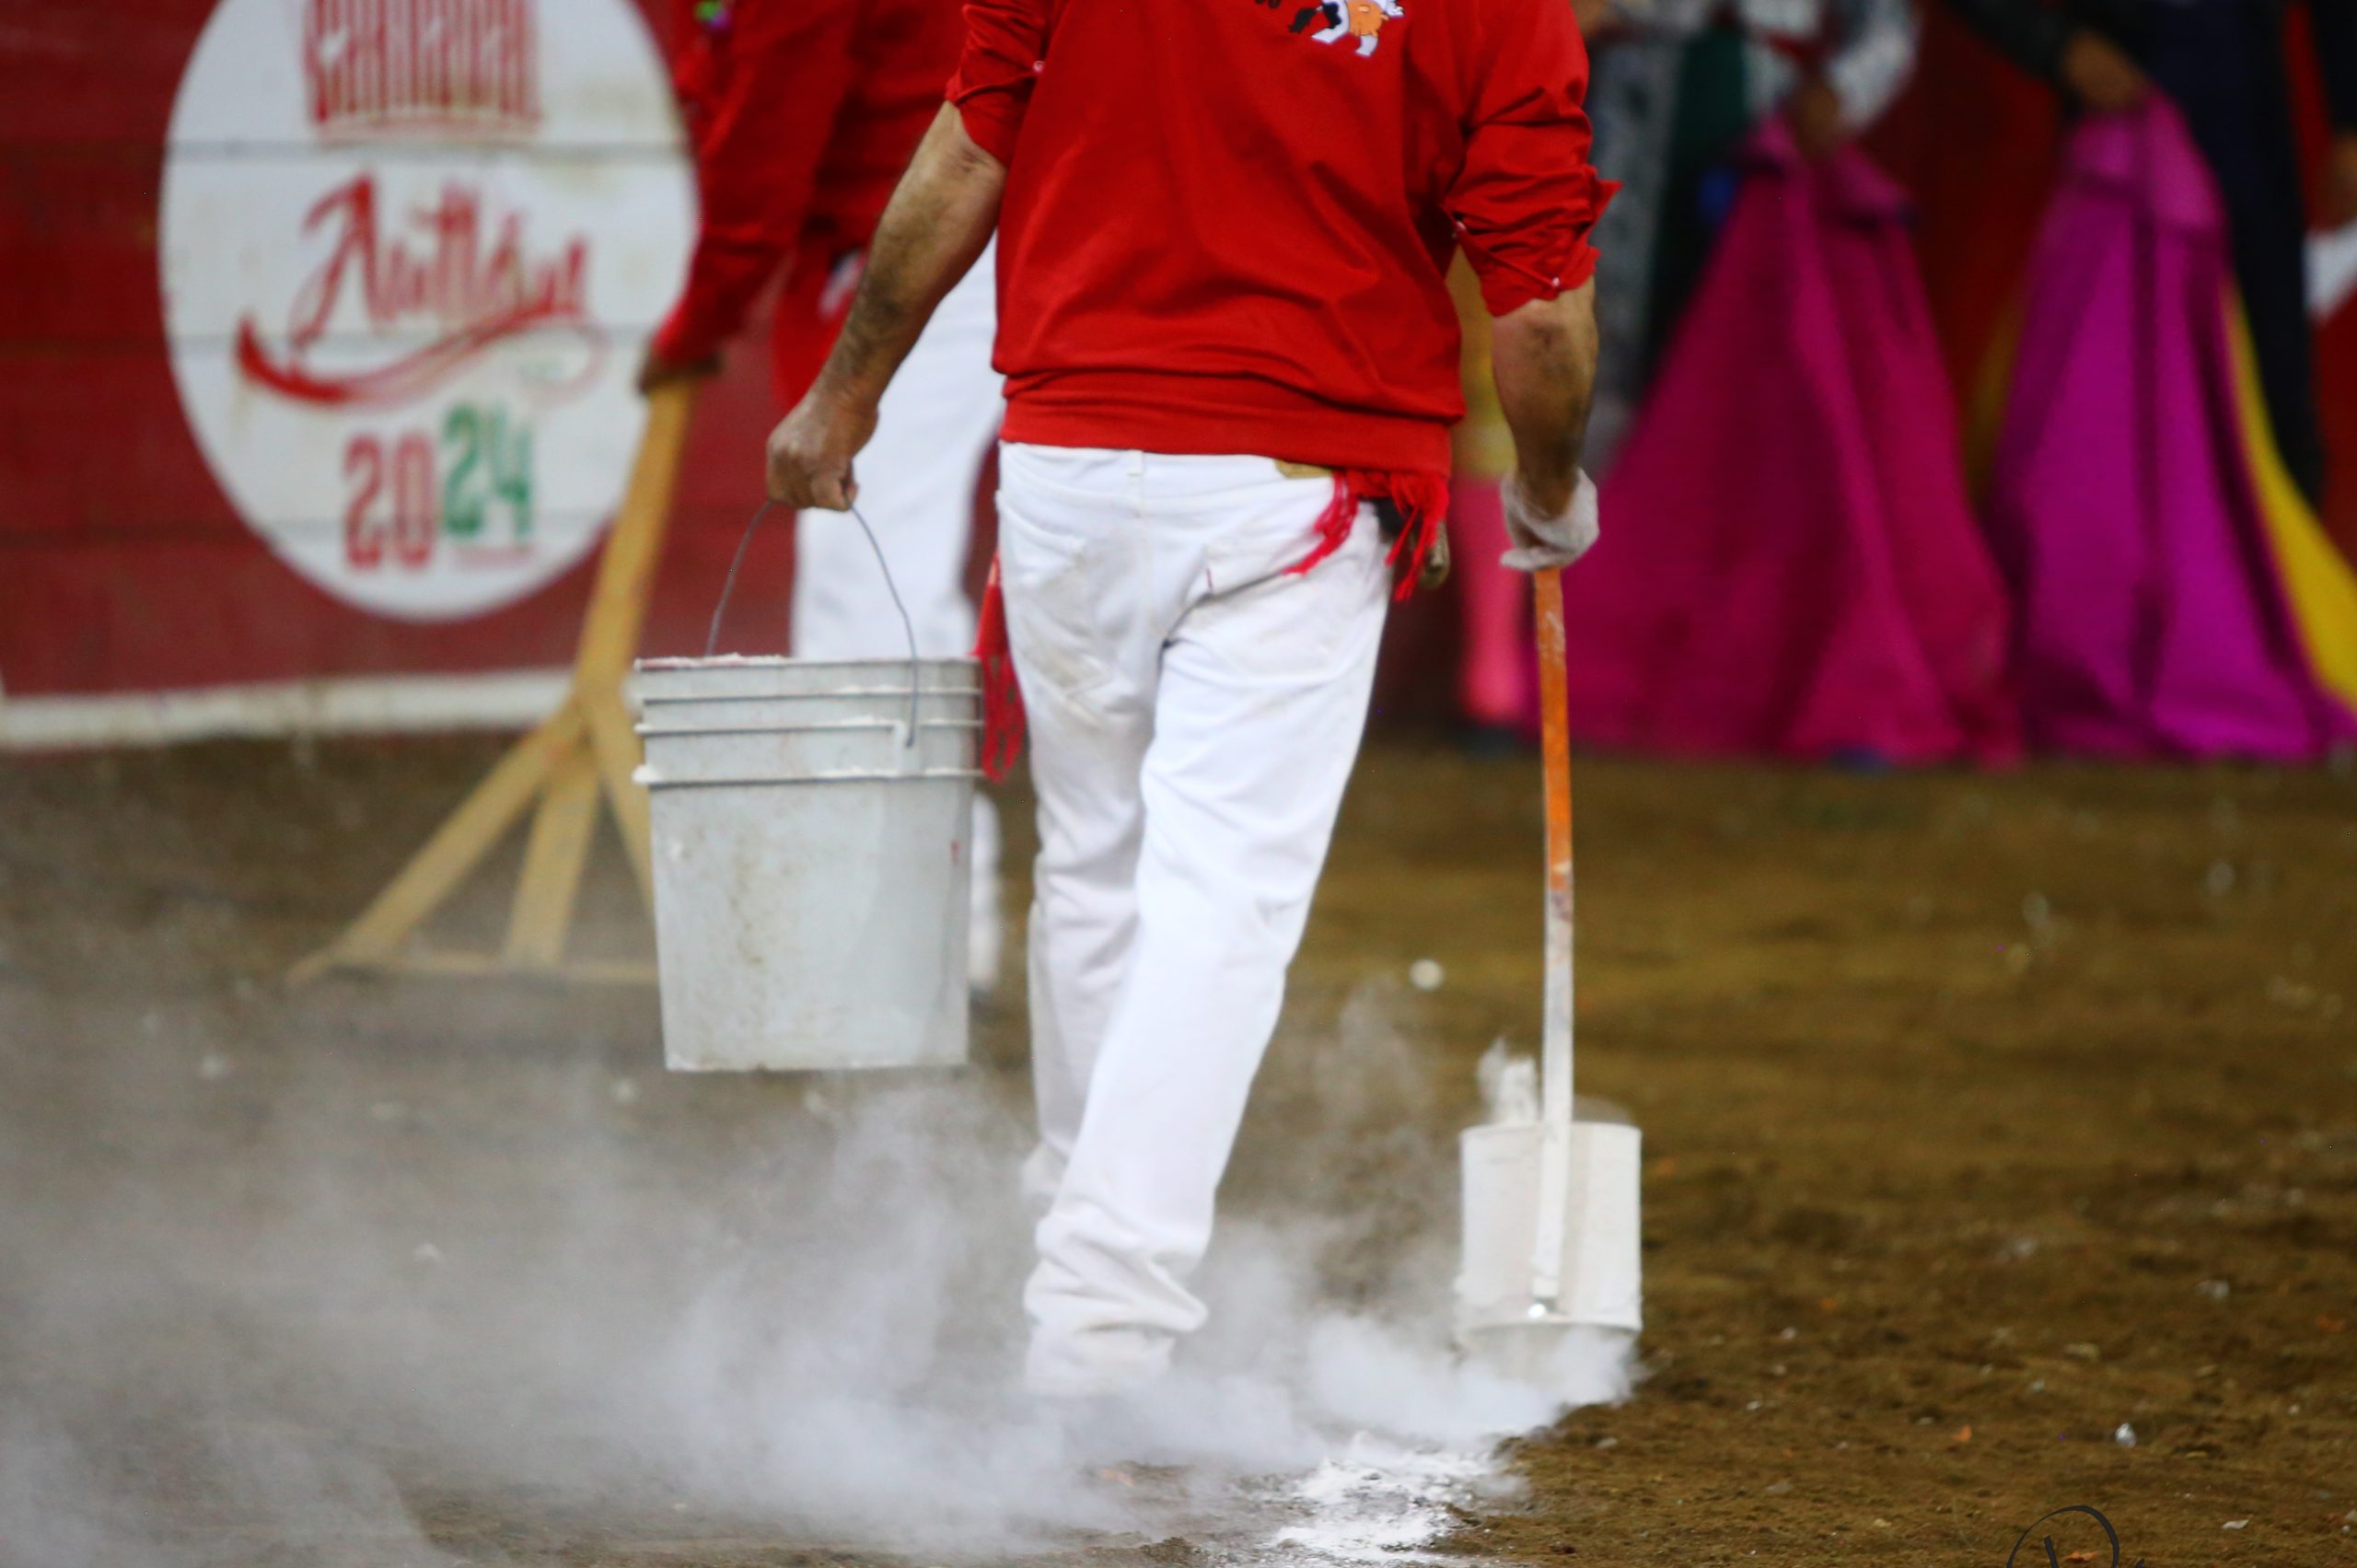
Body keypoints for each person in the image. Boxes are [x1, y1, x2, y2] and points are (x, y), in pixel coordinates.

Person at [764, 0, 1614, 1399]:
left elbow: (970, 142)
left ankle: (1077, 1244)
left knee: (1095, 867)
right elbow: (1537, 307)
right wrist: (1546, 482)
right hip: (1302, 472)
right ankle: (1098, 1329)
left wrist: (847, 392)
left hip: (1070, 458)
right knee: (1220, 900)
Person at [640, 0, 1009, 986]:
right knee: (878, 586)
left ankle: (906, 934)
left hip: (929, 241)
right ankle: (914, 921)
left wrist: (697, 320)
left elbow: (761, 157)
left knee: (868, 595)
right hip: (930, 230)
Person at [1945, 0, 2357, 504]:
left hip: (2244, 95)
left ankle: (2278, 536)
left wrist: (2352, 119)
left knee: (2268, 377)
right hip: (2120, 92)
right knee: (2109, 383)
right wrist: (2056, 46)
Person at [1578, 0, 1920, 468]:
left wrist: (1843, 88)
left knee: (1734, 368)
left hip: (1769, 115)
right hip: (1624, 94)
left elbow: (1887, 26)